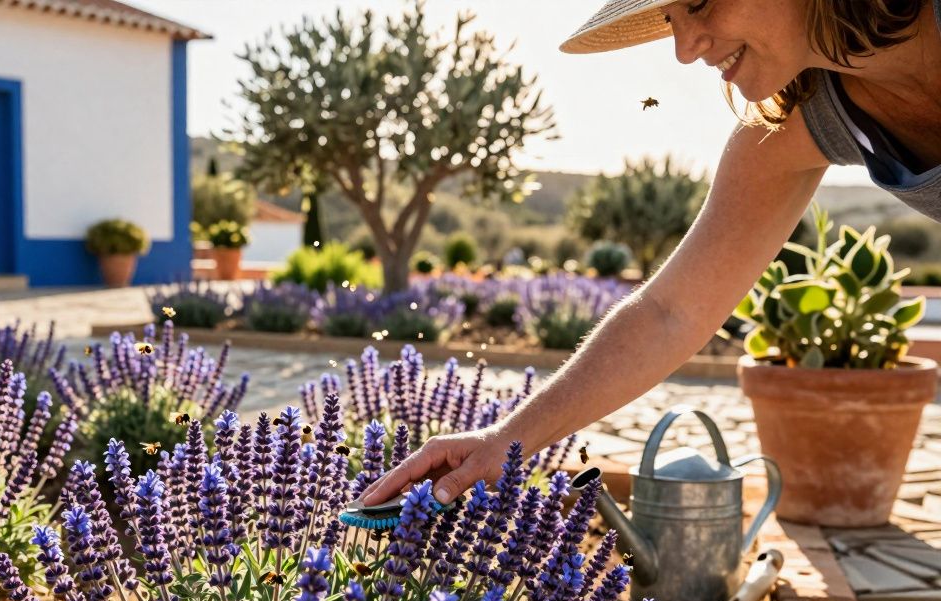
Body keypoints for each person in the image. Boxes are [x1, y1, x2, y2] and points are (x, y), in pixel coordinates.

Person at [358, 0, 941, 508]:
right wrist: (502, 442)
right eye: (670, 18)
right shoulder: (800, 123)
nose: (686, 50)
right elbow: (670, 312)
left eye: (700, 3)